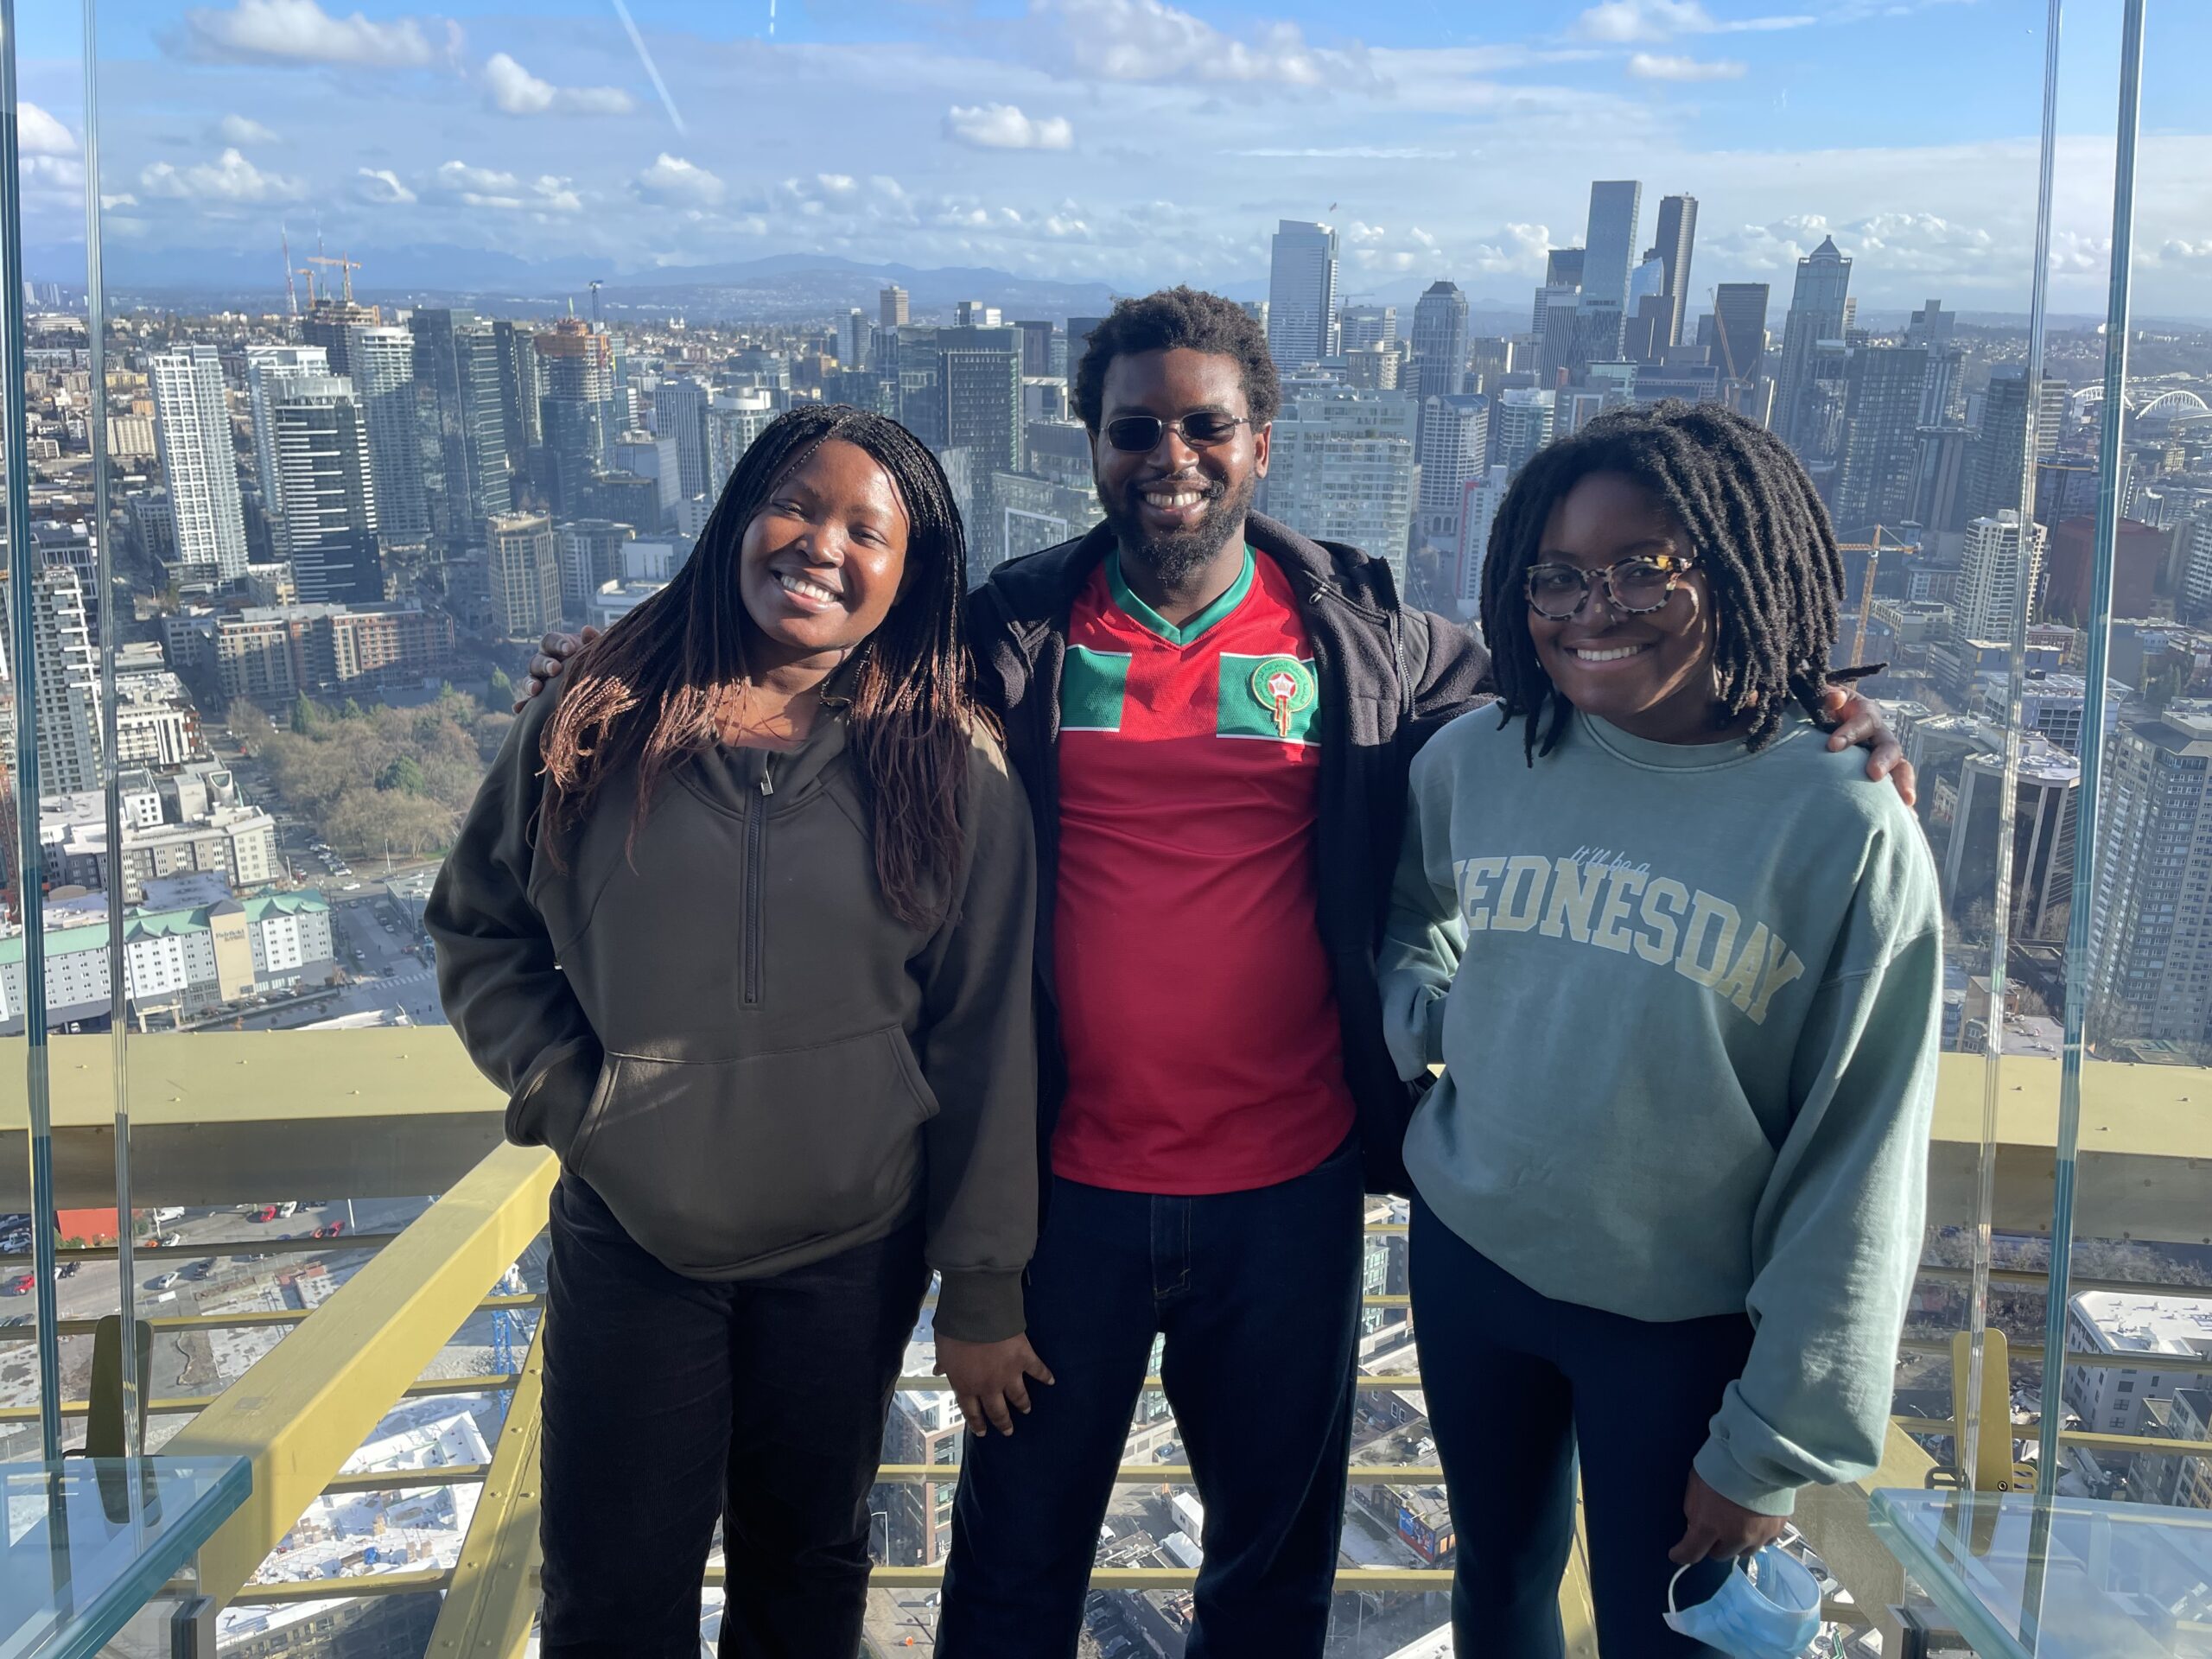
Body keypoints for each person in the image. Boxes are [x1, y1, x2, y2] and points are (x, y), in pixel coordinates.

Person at [518, 293, 1912, 1656]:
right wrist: (623, 663)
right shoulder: (1005, 639)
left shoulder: (1362, 640)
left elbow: (1587, 690)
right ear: (1092, 448)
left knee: (1271, 1567)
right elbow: (814, 640)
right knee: (1015, 1557)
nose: (1169, 458)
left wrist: (1804, 703)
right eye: (1135, 430)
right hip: (1064, 1191)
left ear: (1262, 443)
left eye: (1206, 426)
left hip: (1288, 1199)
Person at [428, 404, 1043, 1659]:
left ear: (908, 579)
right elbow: (478, 927)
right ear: (734, 519)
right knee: (609, 1592)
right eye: (797, 507)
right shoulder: (592, 724)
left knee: (808, 1576)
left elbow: (984, 1035)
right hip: (638, 1243)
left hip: (848, 1251)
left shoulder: (951, 771)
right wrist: (578, 1101)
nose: (821, 545)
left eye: (867, 532)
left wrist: (981, 1282)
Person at [1379, 400, 1941, 1656]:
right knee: (1498, 1597)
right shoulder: (1480, 757)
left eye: (1645, 569)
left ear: (1738, 572)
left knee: (1667, 1638)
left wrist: (1773, 1440)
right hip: (1473, 1265)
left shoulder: (1844, 824)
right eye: (1559, 576)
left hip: (1682, 1324)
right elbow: (1411, 910)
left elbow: (1863, 1159)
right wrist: (1434, 1016)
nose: (1595, 608)